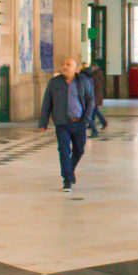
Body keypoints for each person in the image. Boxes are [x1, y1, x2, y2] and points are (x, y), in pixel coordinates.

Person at [38, 56, 95, 192]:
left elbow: (90, 99)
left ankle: (70, 169)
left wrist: (86, 119)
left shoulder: (83, 81)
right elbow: (47, 102)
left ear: (75, 69)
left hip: (79, 122)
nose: (64, 67)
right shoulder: (54, 83)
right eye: (63, 64)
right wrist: (43, 122)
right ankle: (67, 180)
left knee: (79, 150)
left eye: (68, 64)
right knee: (64, 151)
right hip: (62, 123)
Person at [80, 62, 107, 138]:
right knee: (93, 111)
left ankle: (94, 130)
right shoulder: (93, 77)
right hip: (92, 98)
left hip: (90, 98)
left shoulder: (84, 77)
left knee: (88, 114)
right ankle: (102, 123)